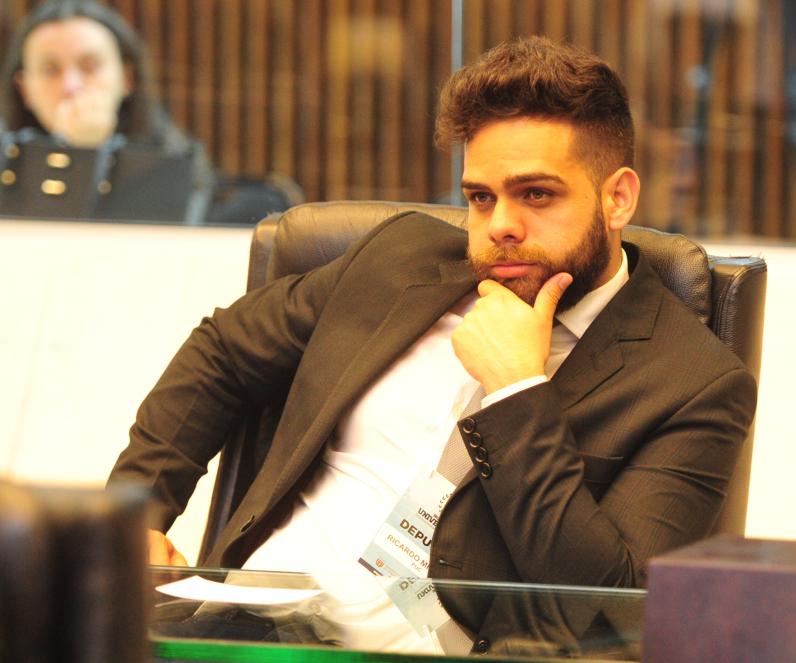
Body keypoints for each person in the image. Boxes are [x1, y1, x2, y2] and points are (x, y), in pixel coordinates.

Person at [109, 37, 756, 593]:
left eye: (536, 194)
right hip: (250, 623)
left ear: (617, 198)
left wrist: (517, 394)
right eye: (481, 197)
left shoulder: (692, 385)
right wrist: (134, 515)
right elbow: (223, 350)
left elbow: (607, 603)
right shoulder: (401, 261)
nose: (500, 226)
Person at [0, 0, 213, 220]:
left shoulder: (171, 168)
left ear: (126, 78)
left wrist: (87, 151)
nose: (71, 86)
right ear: (23, 88)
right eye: (50, 70)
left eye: (90, 66)